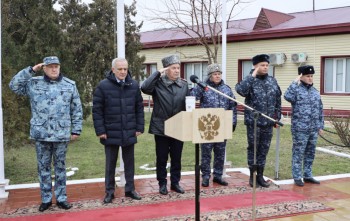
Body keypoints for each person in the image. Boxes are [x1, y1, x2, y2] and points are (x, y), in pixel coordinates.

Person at [9, 56, 83, 212]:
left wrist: (76, 129)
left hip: (61, 134)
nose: (54, 69)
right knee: (43, 168)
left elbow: (76, 108)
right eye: (50, 66)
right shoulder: (33, 83)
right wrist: (30, 70)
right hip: (41, 133)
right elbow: (14, 85)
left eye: (56, 66)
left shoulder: (69, 85)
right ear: (44, 68)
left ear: (60, 67)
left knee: (60, 168)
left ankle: (61, 198)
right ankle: (46, 199)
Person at [92, 58, 144, 203]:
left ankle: (130, 189)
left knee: (129, 163)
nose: (122, 72)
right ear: (113, 69)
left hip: (129, 130)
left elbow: (139, 108)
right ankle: (109, 192)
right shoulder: (103, 86)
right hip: (110, 131)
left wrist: (139, 127)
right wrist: (100, 130)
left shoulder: (133, 85)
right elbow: (97, 110)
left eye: (125, 69)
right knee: (110, 165)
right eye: (120, 69)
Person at [141, 54, 190, 195]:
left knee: (176, 157)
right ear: (166, 69)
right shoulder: (158, 84)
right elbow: (144, 87)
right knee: (162, 158)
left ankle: (175, 183)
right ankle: (162, 183)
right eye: (173, 68)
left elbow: (187, 104)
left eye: (178, 68)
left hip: (178, 127)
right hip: (161, 126)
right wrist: (157, 73)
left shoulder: (184, 84)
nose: (176, 70)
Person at [235, 54, 281, 188]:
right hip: (254, 122)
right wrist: (252, 75)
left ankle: (260, 176)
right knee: (253, 149)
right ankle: (252, 176)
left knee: (264, 150)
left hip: (268, 122)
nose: (265, 68)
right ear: (255, 66)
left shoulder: (272, 80)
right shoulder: (249, 81)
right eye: (262, 65)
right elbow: (241, 91)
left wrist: (276, 118)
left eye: (267, 65)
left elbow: (278, 100)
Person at [190, 63, 237, 187]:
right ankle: (205, 176)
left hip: (222, 125)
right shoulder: (203, 87)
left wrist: (233, 122)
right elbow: (191, 98)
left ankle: (218, 175)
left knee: (220, 152)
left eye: (219, 74)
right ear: (210, 76)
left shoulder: (226, 89)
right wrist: (198, 87)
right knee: (206, 152)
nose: (217, 76)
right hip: (207, 125)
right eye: (215, 74)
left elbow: (233, 105)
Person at [284, 65, 324, 187]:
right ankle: (297, 176)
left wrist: (320, 126)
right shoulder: (296, 90)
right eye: (307, 76)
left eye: (311, 76)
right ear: (301, 76)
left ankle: (307, 175)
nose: (310, 78)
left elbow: (320, 109)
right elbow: (287, 96)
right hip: (300, 128)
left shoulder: (315, 92)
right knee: (298, 152)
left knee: (310, 152)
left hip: (313, 128)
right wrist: (294, 81)